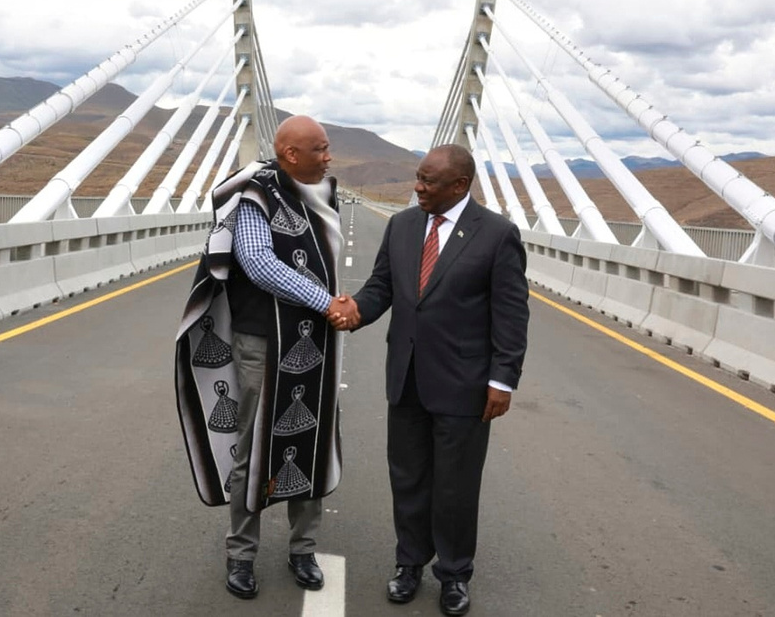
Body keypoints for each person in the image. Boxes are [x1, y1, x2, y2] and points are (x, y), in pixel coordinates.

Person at [335, 143, 529, 616]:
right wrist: (356, 310)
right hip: (406, 377)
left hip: (465, 384)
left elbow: (511, 315)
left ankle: (455, 574)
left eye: (428, 181)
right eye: (417, 178)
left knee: (456, 485)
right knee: (408, 477)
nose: (417, 187)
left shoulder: (497, 235)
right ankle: (409, 564)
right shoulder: (402, 226)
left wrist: (502, 381)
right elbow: (383, 285)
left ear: (459, 186)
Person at [174, 115, 359, 600]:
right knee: (254, 445)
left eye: (328, 147)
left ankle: (303, 548)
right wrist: (326, 302)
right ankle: (241, 554)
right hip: (263, 342)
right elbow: (258, 264)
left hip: (314, 342)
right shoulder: (255, 194)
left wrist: (334, 307)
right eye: (319, 149)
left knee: (311, 439)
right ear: (290, 154)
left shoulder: (324, 194)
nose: (328, 156)